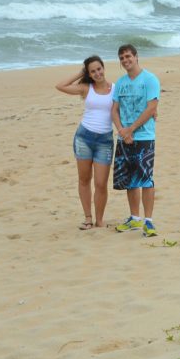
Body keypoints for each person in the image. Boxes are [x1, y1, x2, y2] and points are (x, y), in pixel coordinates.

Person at [55, 55, 114, 230]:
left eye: (99, 69)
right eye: (92, 71)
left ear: (104, 68)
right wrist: (81, 71)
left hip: (105, 141)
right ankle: (88, 218)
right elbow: (60, 86)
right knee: (84, 179)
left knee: (101, 183)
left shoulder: (115, 88)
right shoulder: (85, 88)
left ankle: (99, 220)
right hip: (84, 138)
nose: (97, 73)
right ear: (88, 73)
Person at [111, 43, 161, 237]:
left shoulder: (150, 79)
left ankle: (148, 221)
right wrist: (122, 131)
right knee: (131, 180)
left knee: (146, 178)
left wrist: (130, 129)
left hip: (144, 136)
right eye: (122, 58)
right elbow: (114, 110)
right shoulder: (121, 82)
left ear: (136, 56)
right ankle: (134, 218)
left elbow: (151, 108)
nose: (125, 60)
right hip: (125, 137)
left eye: (128, 56)